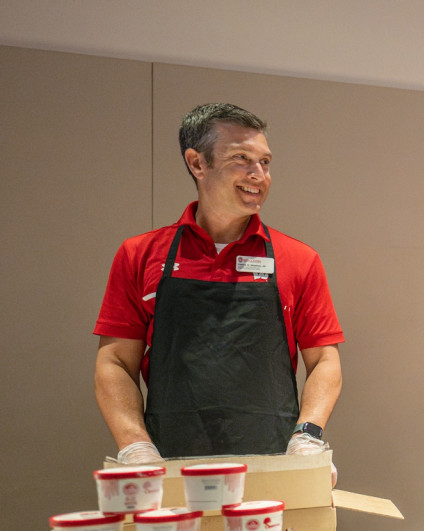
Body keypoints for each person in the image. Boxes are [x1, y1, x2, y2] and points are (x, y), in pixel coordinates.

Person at [94, 103, 344, 484]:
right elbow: (114, 363)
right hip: (170, 469)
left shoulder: (299, 259)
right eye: (242, 159)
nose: (258, 175)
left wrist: (307, 438)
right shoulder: (140, 255)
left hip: (275, 466)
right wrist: (135, 448)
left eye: (265, 162)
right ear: (197, 163)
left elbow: (325, 359)